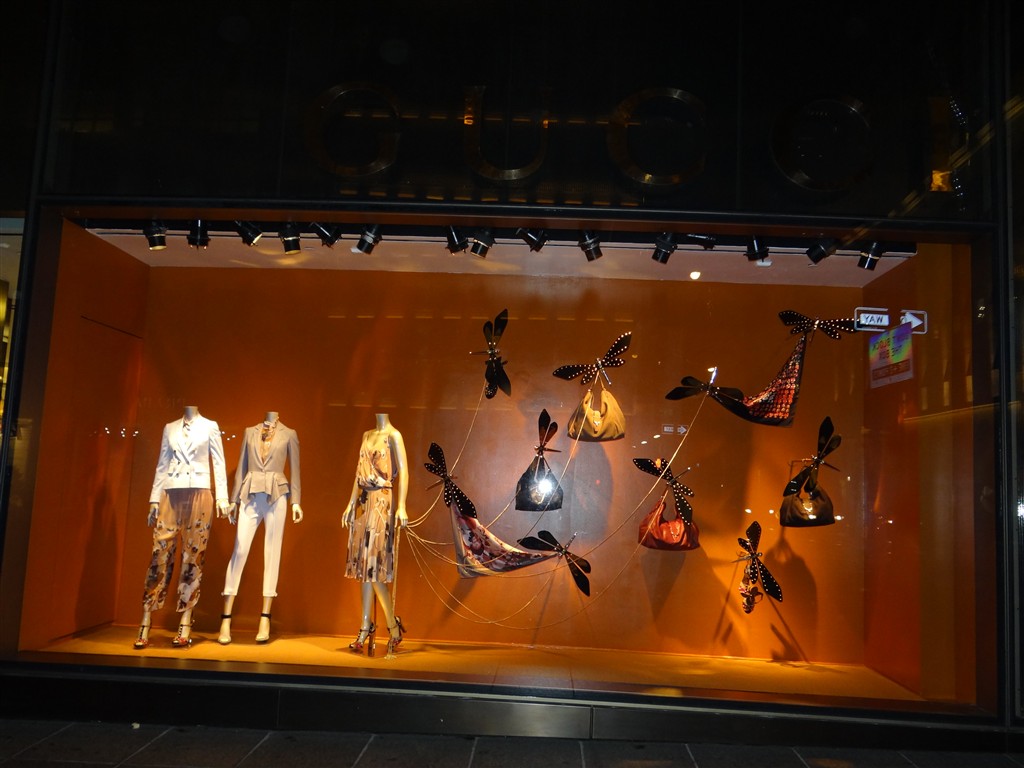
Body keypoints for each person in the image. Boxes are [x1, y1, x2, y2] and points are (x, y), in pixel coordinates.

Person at [134, 406, 230, 649]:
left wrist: (222, 497)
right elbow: (162, 463)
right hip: (170, 492)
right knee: (159, 553)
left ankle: (186, 619)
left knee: (193, 556)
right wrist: (154, 499)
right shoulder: (170, 428)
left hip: (200, 492)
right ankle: (146, 617)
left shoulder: (210, 426)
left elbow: (218, 462)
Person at [218, 412, 303, 645]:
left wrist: (296, 502)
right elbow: (242, 467)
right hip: (250, 493)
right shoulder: (249, 432)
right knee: (240, 550)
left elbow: (295, 469)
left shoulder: (289, 434)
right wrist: (234, 500)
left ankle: (265, 617)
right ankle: (226, 618)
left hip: (277, 495)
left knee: (272, 553)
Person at [342, 413, 409, 656]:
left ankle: (391, 625)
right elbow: (358, 472)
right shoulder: (366, 435)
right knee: (365, 567)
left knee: (373, 565)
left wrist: (402, 506)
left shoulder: (394, 436)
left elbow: (404, 472)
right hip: (364, 501)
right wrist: (351, 503)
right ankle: (367, 624)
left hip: (382, 501)